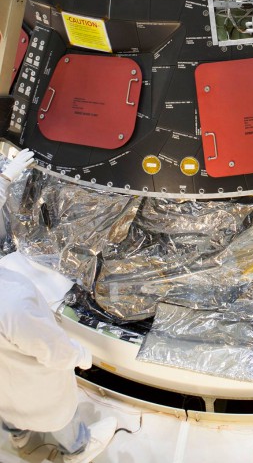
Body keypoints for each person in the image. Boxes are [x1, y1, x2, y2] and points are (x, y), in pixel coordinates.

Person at [0, 148, 117, 462]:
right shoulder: (11, 301)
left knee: (8, 411)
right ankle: (77, 449)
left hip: (4, 387)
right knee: (57, 415)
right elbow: (50, 349)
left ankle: (19, 439)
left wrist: (4, 179)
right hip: (31, 383)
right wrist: (80, 355)